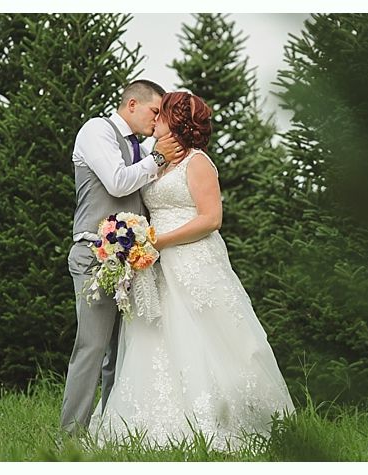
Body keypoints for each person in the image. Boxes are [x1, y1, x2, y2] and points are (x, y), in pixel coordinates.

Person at [89, 91, 295, 450]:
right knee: (157, 337)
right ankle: (155, 421)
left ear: (175, 122)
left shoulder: (198, 162)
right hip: (155, 261)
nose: (154, 121)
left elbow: (211, 219)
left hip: (192, 257)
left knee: (205, 334)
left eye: (161, 115)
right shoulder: (160, 162)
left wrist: (159, 242)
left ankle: (223, 417)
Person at [62, 79, 186, 436]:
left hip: (132, 260)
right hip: (92, 255)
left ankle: (106, 433)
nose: (157, 119)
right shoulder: (96, 130)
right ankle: (69, 438)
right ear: (132, 104)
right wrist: (159, 157)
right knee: (92, 347)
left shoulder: (141, 146)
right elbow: (117, 182)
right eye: (154, 111)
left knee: (121, 353)